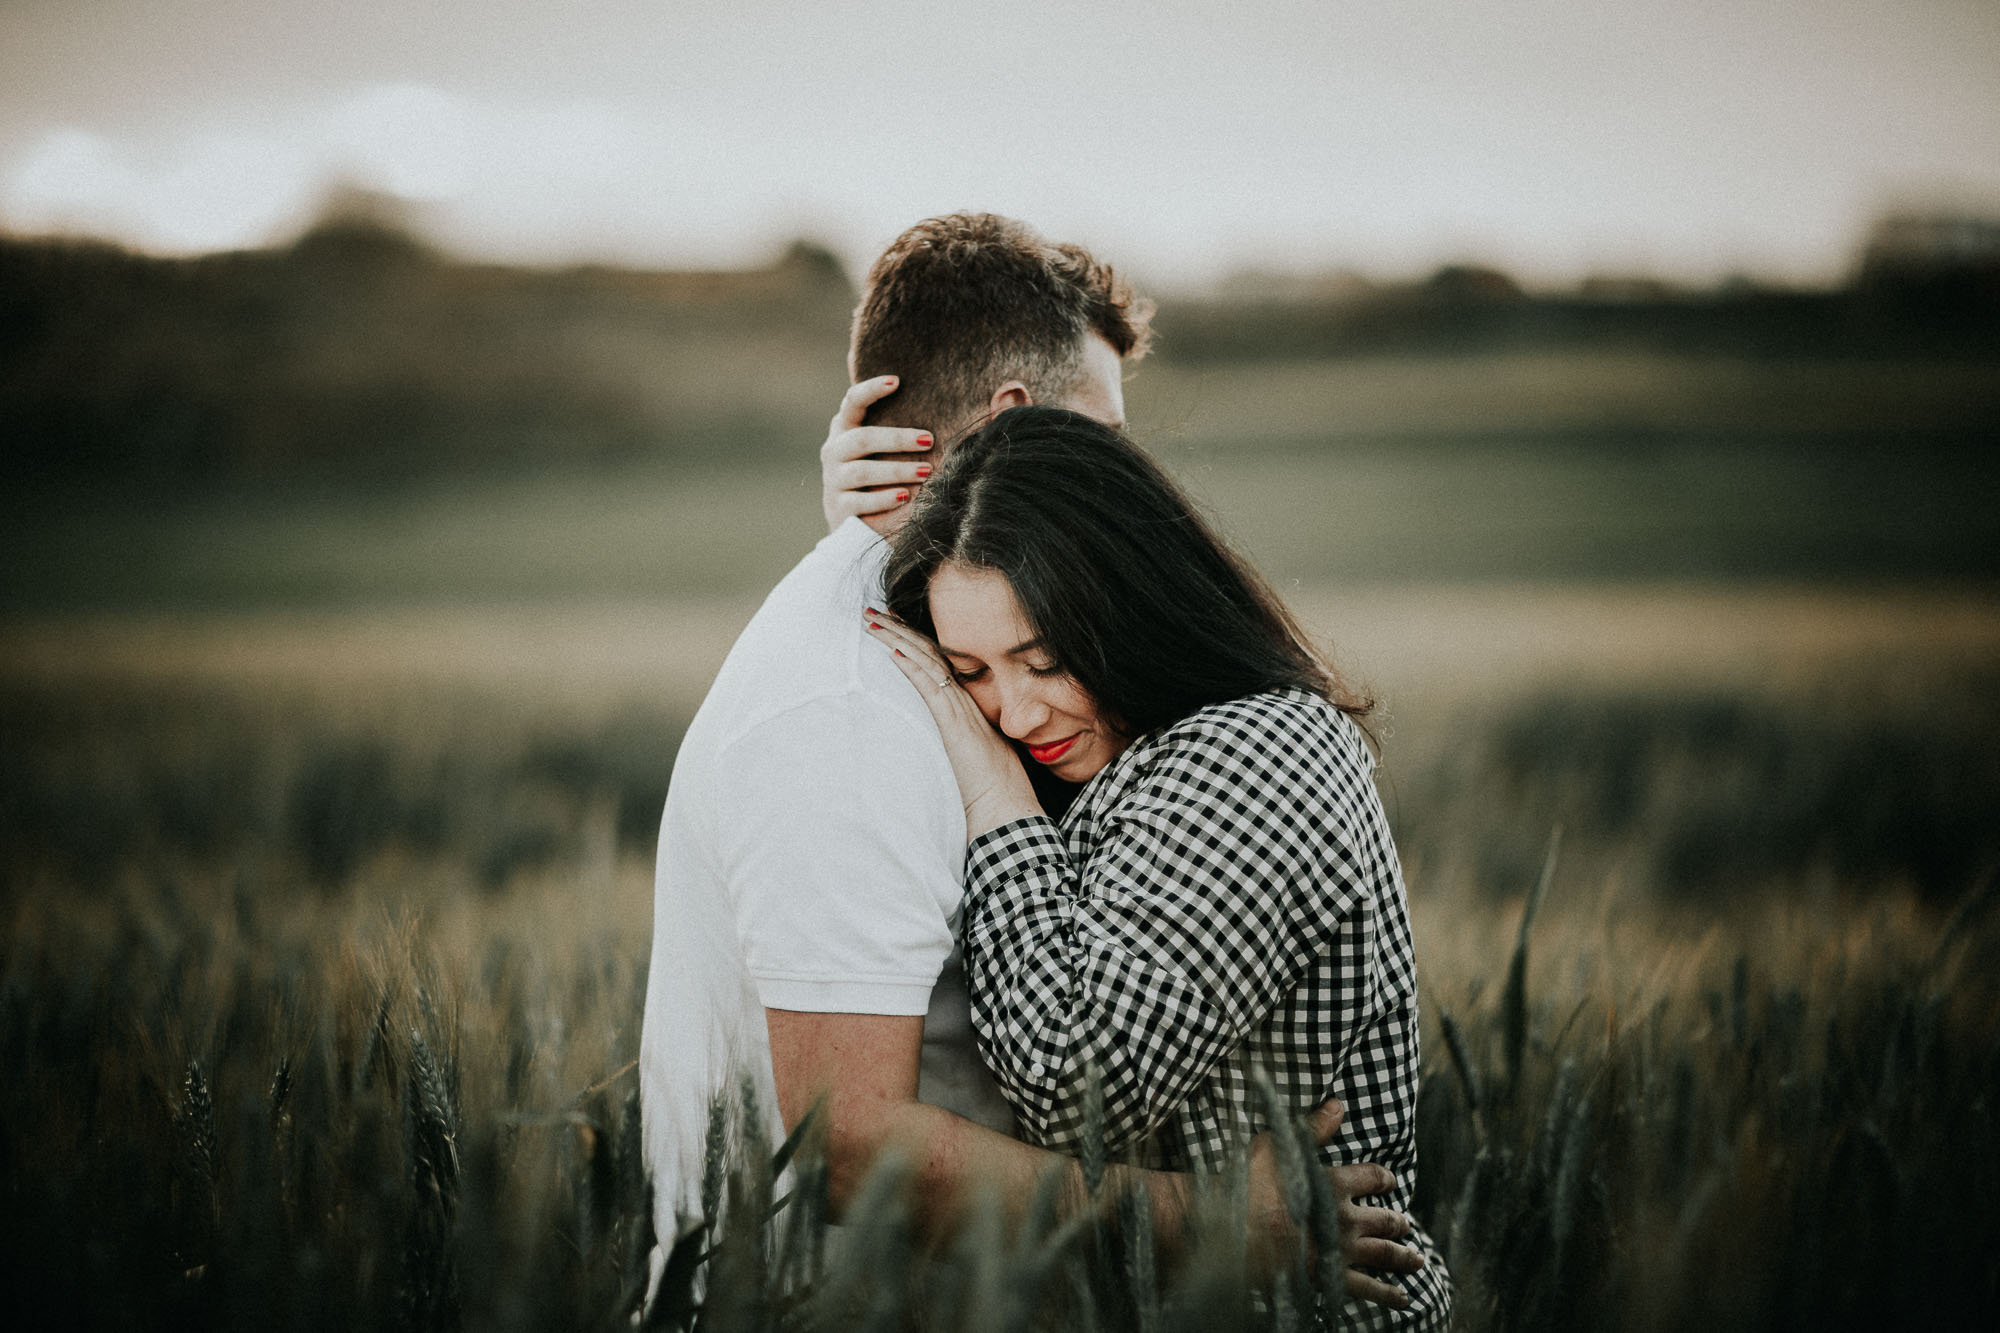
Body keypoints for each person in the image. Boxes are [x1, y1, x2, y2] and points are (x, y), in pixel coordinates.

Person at [639, 213, 1423, 1308]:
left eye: (1035, 659)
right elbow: (848, 1139)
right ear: (1012, 426)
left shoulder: (1215, 740)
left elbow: (1080, 1040)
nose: (1119, 473)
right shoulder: (858, 687)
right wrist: (1198, 1225)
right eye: (1102, 433)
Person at [862, 404, 1452, 1328]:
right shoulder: (1139, 748)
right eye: (969, 673)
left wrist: (995, 800)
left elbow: (1074, 1081)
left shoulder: (1259, 755)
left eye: (1045, 659)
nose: (1012, 715)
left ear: (1136, 604)